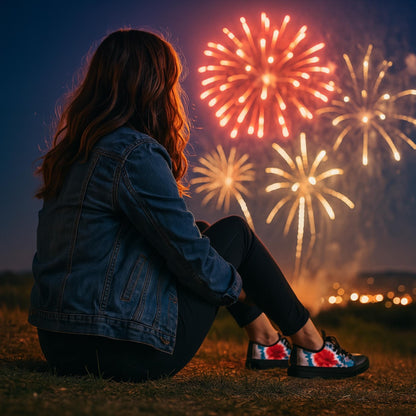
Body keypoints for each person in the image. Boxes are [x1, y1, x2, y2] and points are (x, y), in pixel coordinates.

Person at [29, 29, 369, 382]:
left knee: (205, 236)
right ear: (154, 86)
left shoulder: (73, 154)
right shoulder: (134, 153)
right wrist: (242, 283)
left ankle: (267, 340)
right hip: (125, 350)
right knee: (234, 235)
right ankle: (313, 347)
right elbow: (191, 258)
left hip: (58, 342)